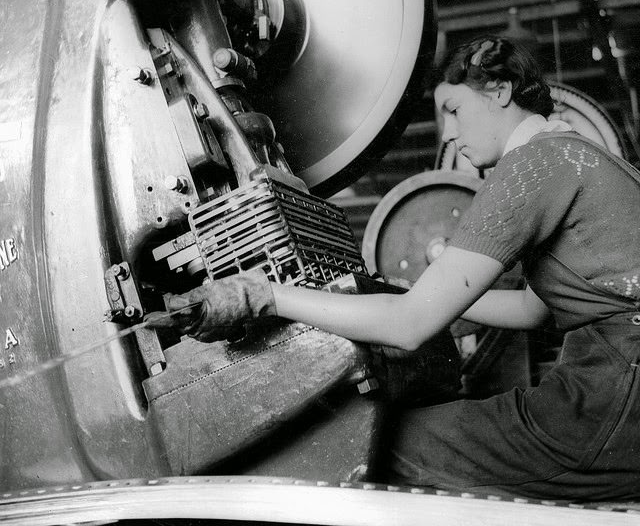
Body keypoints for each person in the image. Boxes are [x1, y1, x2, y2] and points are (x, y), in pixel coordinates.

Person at [148, 36, 640, 501]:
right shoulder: (576, 152)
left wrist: (265, 294)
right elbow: (533, 309)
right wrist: (416, 291)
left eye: (454, 109)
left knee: (376, 444)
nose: (448, 132)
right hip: (619, 394)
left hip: (610, 406)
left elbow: (407, 327)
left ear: (501, 90)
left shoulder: (534, 164)